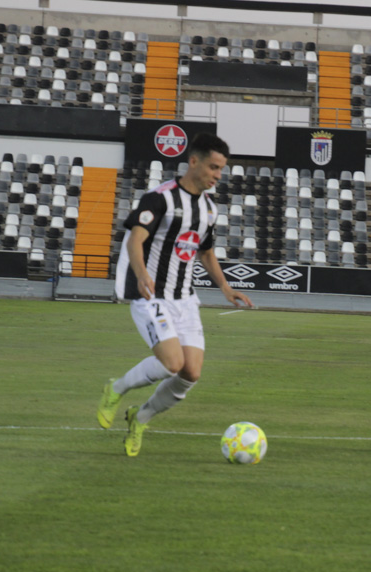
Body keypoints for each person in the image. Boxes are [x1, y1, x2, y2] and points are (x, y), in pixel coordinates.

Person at [97, 133, 254, 457]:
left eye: (221, 169)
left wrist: (225, 287)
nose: (217, 175)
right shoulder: (159, 198)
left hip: (185, 298)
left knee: (191, 372)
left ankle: (140, 418)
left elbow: (206, 253)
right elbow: (135, 241)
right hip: (150, 295)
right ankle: (115, 389)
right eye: (213, 167)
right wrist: (141, 275)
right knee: (172, 363)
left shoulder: (209, 209)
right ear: (193, 161)